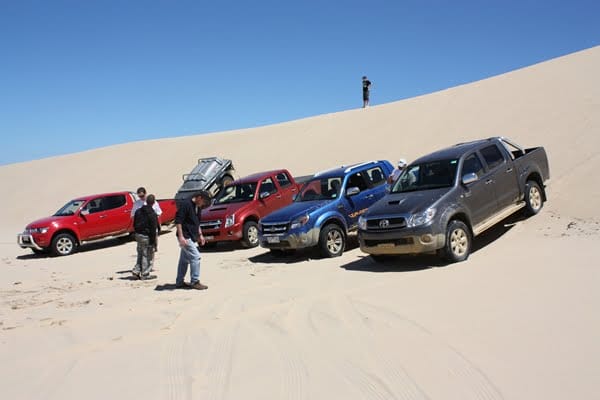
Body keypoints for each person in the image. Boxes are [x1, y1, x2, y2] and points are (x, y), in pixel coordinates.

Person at [175, 191, 211, 290]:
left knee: (184, 260)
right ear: (199, 197)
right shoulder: (185, 204)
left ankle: (179, 281)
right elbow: (178, 221)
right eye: (203, 201)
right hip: (185, 236)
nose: (203, 204)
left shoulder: (198, 207)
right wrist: (181, 237)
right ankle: (195, 281)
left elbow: (197, 222)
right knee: (196, 257)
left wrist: (200, 235)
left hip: (191, 236)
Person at [132, 194, 159, 280]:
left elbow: (134, 223)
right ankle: (145, 273)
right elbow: (153, 229)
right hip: (146, 236)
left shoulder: (138, 211)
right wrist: (154, 242)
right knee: (146, 255)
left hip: (138, 235)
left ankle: (136, 271)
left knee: (140, 253)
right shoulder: (152, 213)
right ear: (153, 202)